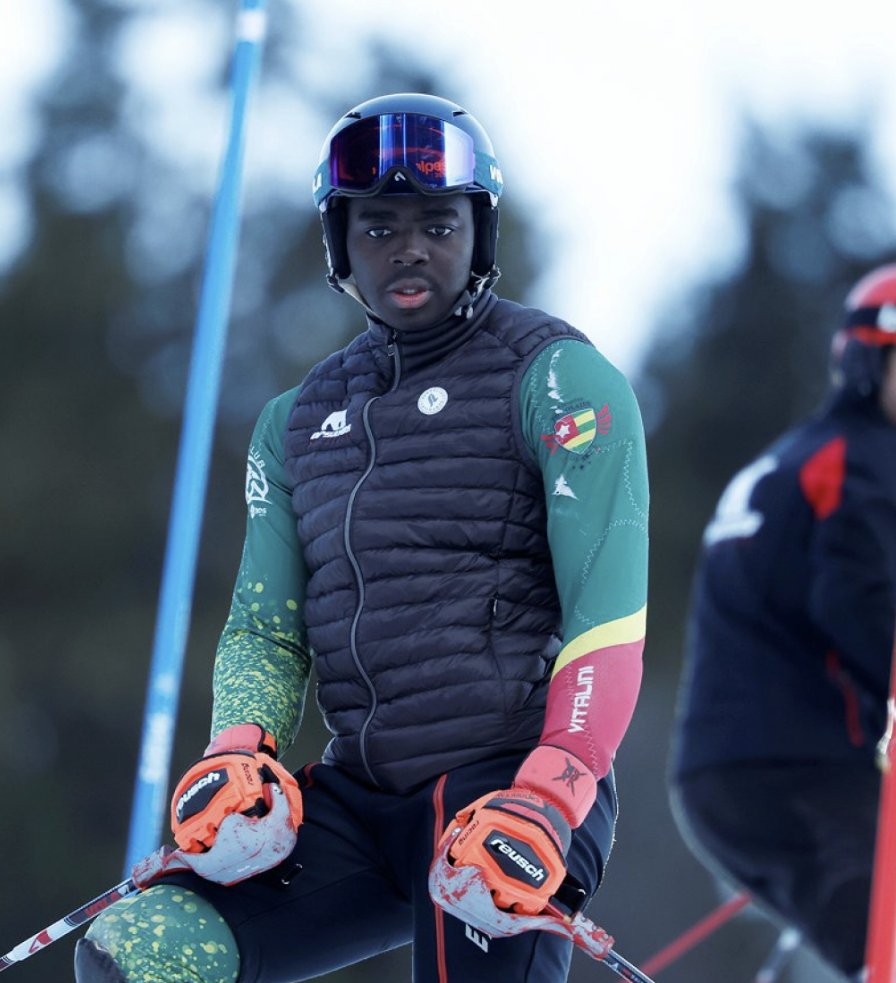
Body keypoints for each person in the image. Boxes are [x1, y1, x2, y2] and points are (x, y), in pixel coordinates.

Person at [74, 92, 649, 983]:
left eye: (437, 222)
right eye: (377, 226)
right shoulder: (297, 419)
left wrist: (551, 792)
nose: (409, 246)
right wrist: (238, 750)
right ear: (341, 246)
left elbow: (606, 623)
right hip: (362, 796)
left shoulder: (560, 377)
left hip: (502, 794)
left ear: (480, 233)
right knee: (141, 950)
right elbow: (267, 627)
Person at [669, 264, 896, 982]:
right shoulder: (857, 459)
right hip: (799, 771)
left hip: (737, 769)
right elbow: (860, 603)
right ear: (868, 361)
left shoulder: (806, 453)